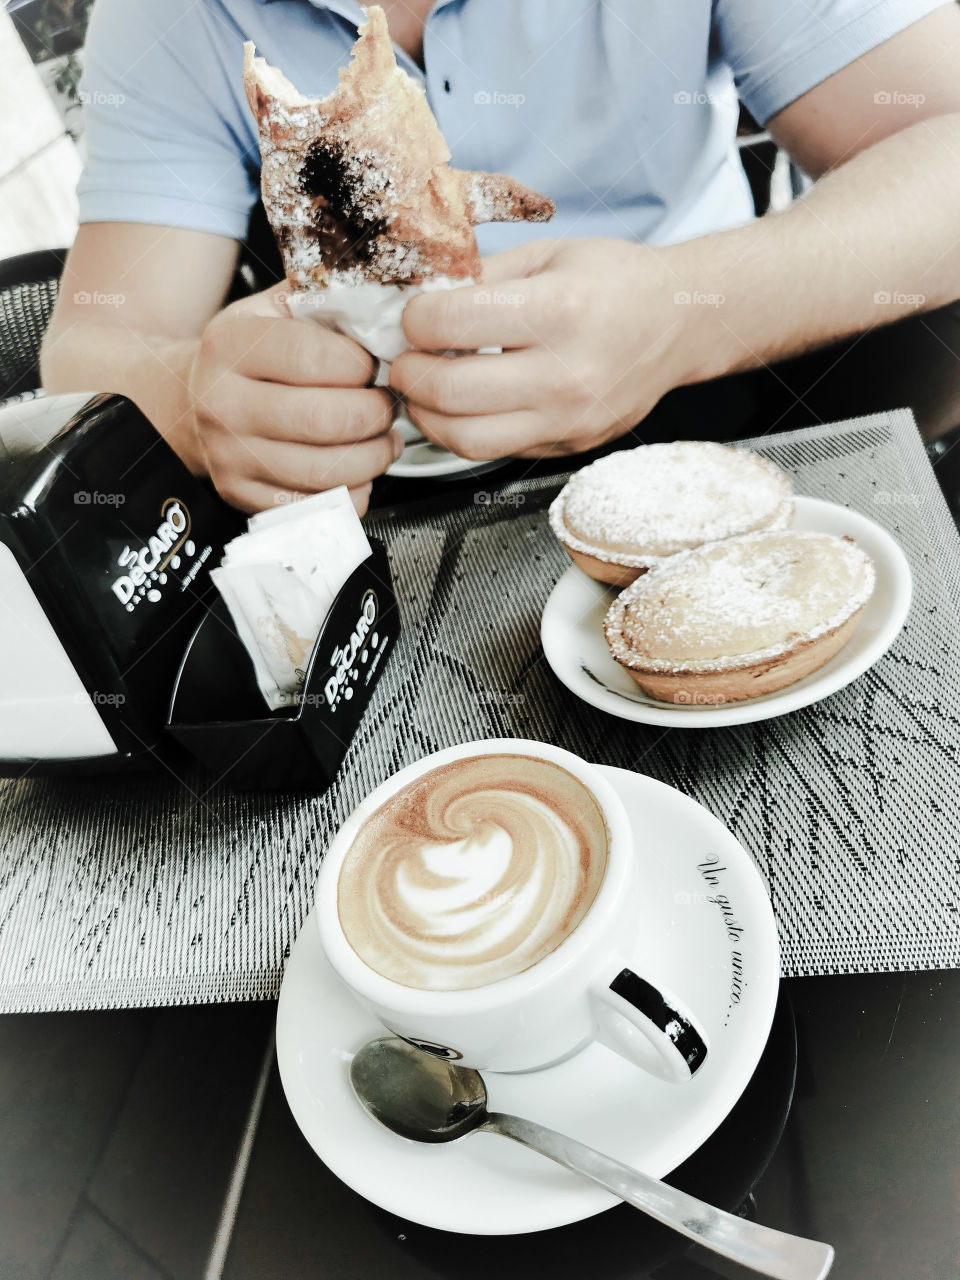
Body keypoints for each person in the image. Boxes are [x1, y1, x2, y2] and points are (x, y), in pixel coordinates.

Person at [40, 0, 960, 514]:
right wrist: (205, 403)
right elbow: (92, 347)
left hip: (726, 405)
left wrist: (683, 314)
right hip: (374, 492)